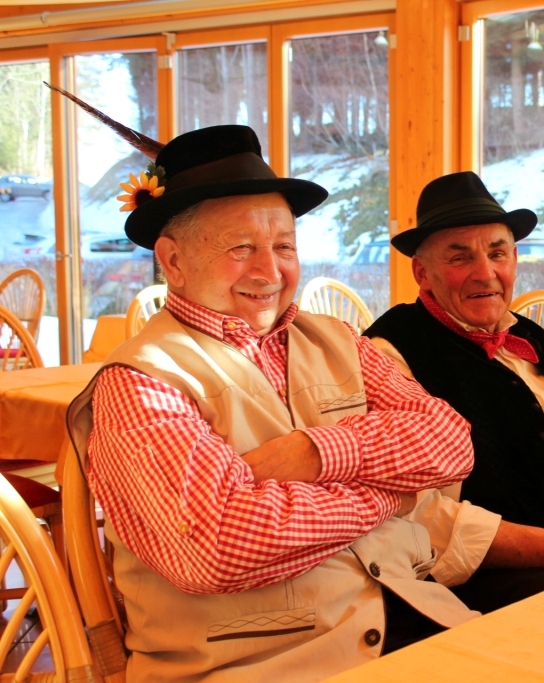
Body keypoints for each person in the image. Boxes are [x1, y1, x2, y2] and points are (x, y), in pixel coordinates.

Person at [65, 125, 478, 683]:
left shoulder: (337, 339)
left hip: (415, 617)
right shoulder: (143, 382)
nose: (270, 271)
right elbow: (219, 546)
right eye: (241, 248)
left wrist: (316, 453)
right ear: (173, 260)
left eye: (284, 246)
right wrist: (391, 494)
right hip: (259, 666)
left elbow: (452, 442)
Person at [365, 171, 544, 613]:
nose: (486, 273)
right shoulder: (389, 353)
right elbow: (415, 514)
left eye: (497, 253)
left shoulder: (531, 336)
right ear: (422, 273)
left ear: (515, 259)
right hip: (494, 575)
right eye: (460, 257)